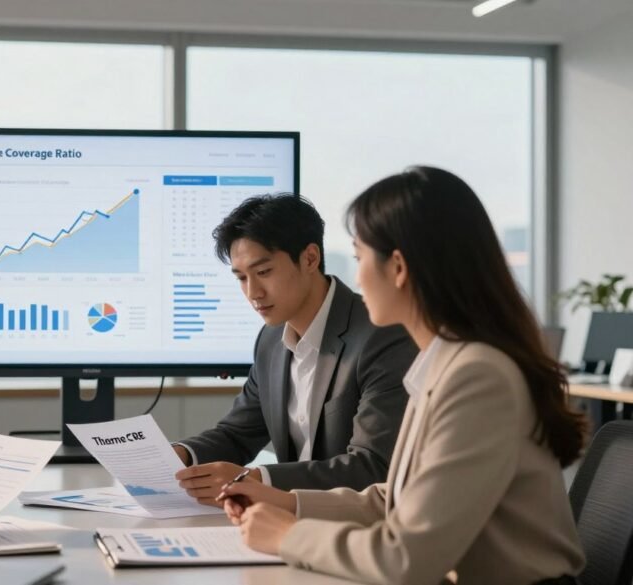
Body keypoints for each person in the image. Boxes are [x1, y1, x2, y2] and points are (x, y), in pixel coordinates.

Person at [221, 167, 586, 584]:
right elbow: (396, 500)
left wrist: (289, 536)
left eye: (359, 258)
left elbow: (405, 558)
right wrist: (288, 503)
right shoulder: (447, 363)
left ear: (398, 267)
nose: (354, 277)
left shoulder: (478, 377)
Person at [174, 194, 417, 504]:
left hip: (353, 527)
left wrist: (258, 479)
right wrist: (178, 456)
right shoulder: (270, 340)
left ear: (310, 259)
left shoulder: (380, 335)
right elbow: (237, 434)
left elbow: (373, 467)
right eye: (241, 278)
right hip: (287, 520)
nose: (253, 293)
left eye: (263, 272)